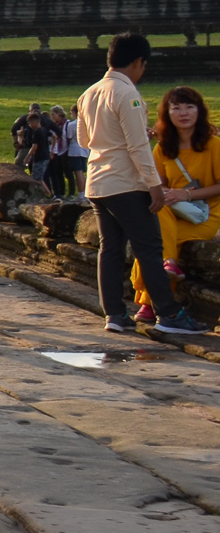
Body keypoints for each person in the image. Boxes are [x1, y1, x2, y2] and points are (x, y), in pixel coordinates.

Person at [77, 32, 206, 335]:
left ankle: (114, 313)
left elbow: (84, 140)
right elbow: (137, 147)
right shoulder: (128, 94)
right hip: (126, 183)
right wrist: (154, 185)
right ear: (138, 62)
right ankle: (169, 313)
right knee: (149, 248)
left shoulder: (89, 93)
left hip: (98, 181)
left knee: (110, 249)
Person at [133, 86, 220, 323]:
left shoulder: (214, 144)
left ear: (200, 111)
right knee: (157, 219)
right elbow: (157, 185)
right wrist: (168, 193)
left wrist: (186, 194)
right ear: (167, 113)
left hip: (205, 214)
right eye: (176, 108)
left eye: (189, 107)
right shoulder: (163, 148)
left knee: (153, 245)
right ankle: (169, 267)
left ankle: (147, 301)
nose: (183, 113)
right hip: (171, 212)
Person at [45, 105, 76, 196]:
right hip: (57, 151)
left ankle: (71, 193)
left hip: (65, 150)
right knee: (58, 173)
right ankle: (61, 192)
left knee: (68, 173)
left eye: (53, 114)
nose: (52, 116)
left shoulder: (67, 124)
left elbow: (68, 137)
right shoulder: (54, 125)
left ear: (59, 114)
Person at [17, 112, 54, 183]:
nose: (29, 125)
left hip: (39, 157)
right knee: (39, 178)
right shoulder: (44, 129)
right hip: (46, 156)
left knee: (36, 179)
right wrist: (52, 149)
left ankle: (45, 190)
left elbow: (34, 146)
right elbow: (54, 136)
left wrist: (27, 157)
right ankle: (45, 190)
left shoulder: (36, 132)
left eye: (29, 123)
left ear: (34, 122)